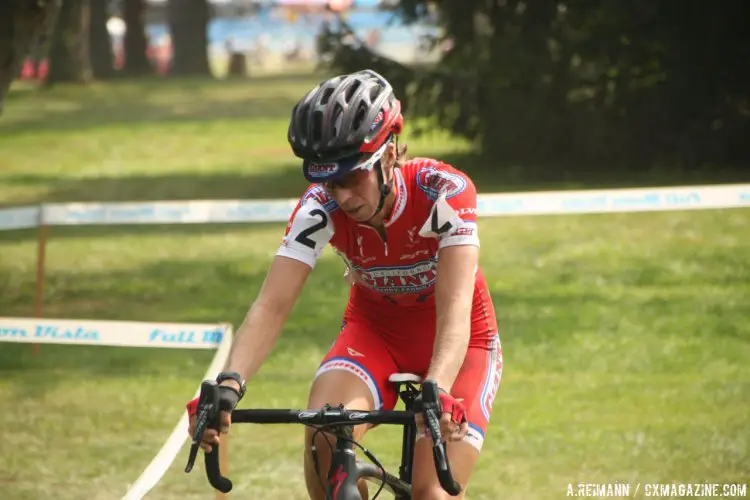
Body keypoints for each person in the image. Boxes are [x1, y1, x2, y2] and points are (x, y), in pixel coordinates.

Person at [186, 69, 503, 500]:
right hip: (375, 335)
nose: (343, 196)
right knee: (325, 430)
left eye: (353, 177)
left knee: (433, 493)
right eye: (329, 181)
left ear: (389, 154)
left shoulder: (444, 192)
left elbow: (456, 307)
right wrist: (230, 383)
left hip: (460, 344)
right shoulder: (319, 207)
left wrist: (440, 386)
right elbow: (272, 306)